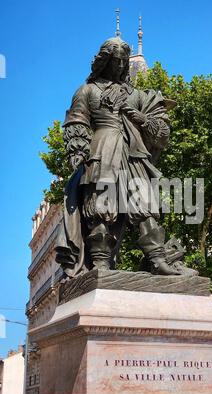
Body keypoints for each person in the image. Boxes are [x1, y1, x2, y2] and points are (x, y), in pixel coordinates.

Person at [55, 37, 180, 277]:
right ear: (105, 61)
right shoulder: (88, 90)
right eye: (116, 61)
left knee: (145, 206)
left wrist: (140, 118)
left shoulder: (139, 96)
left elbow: (162, 131)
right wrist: (78, 151)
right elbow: (76, 121)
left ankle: (157, 259)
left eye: (124, 62)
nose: (121, 67)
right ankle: (100, 263)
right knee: (102, 207)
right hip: (102, 150)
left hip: (134, 154)